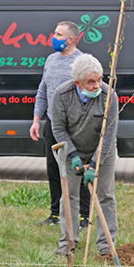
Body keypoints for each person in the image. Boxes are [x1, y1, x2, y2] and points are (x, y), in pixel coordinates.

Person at [50, 54, 119, 256]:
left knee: (105, 194)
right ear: (77, 83)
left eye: (99, 79)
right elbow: (58, 128)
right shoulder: (61, 95)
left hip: (102, 149)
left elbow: (108, 135)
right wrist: (73, 155)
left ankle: (106, 245)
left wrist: (96, 164)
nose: (97, 85)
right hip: (72, 149)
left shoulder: (109, 96)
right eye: (91, 82)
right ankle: (68, 243)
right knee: (69, 195)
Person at [30, 21, 90, 228]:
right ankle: (55, 214)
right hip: (52, 125)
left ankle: (84, 216)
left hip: (75, 127)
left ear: (70, 39)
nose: (53, 36)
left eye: (58, 34)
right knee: (54, 170)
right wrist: (37, 120)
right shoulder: (51, 60)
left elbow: (89, 94)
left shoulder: (83, 61)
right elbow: (42, 91)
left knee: (78, 170)